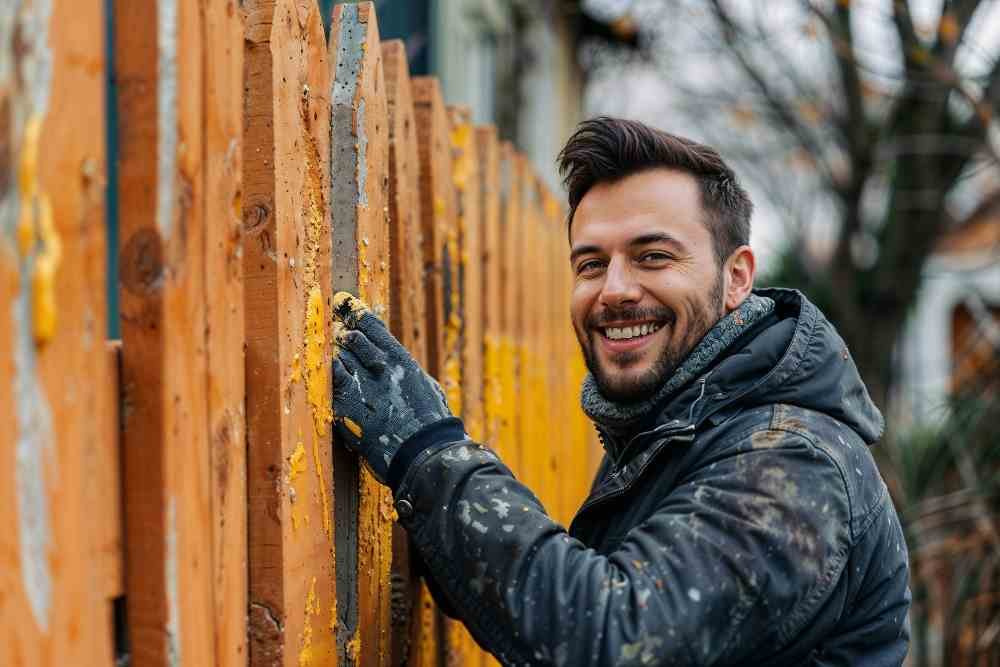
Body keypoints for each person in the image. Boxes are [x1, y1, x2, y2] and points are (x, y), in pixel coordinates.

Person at [330, 117, 911, 666]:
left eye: (652, 256)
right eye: (590, 264)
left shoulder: (793, 460)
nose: (614, 290)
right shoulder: (676, 429)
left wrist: (430, 457)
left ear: (736, 277)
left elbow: (614, 636)